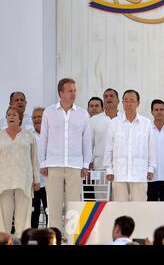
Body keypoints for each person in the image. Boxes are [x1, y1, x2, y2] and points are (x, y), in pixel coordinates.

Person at [40, 78, 92, 232]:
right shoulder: (49, 112)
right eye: (70, 91)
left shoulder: (83, 114)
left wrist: (85, 164)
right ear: (61, 93)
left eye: (75, 90)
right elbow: (43, 139)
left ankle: (72, 239)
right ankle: (54, 239)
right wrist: (42, 163)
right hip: (53, 165)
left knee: (74, 206)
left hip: (75, 165)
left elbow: (87, 140)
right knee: (54, 206)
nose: (73, 94)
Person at [104, 90, 156, 201]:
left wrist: (151, 168)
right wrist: (109, 169)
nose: (128, 104)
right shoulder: (114, 123)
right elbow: (108, 148)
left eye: (132, 101)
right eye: (126, 101)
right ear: (122, 103)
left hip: (140, 173)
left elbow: (151, 148)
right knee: (120, 208)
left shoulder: (146, 123)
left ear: (138, 103)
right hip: (119, 173)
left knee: (139, 207)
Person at [0, 106, 40, 238]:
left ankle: (21, 237)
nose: (11, 117)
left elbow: (34, 158)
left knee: (23, 213)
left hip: (24, 179)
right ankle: (3, 238)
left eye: (14, 115)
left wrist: (37, 179)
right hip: (3, 180)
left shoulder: (29, 136)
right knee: (3, 213)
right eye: (8, 115)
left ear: (20, 119)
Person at [91, 88, 120, 171]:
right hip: (100, 166)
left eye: (111, 96)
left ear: (118, 100)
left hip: (121, 168)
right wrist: (88, 162)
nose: (108, 98)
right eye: (106, 97)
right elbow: (89, 144)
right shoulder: (94, 120)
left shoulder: (124, 119)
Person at [31, 107, 48, 228]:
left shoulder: (54, 135)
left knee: (50, 211)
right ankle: (32, 238)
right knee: (34, 211)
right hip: (34, 182)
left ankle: (50, 237)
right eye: (35, 117)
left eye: (40, 117)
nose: (37, 119)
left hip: (50, 180)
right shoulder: (29, 136)